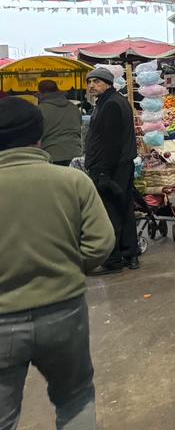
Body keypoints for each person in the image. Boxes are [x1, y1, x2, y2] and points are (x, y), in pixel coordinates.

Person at [0, 98, 114, 430]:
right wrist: (68, 266)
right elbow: (101, 243)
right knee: (75, 398)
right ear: (40, 136)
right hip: (64, 312)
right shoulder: (73, 182)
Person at [83, 67, 139, 274]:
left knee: (110, 212)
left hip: (112, 167)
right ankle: (129, 254)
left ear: (107, 83)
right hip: (119, 165)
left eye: (96, 82)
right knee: (123, 208)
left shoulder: (112, 104)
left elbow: (111, 142)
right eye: (90, 82)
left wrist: (104, 172)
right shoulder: (110, 101)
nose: (92, 86)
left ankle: (114, 259)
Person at [36, 79, 82, 167]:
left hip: (51, 155)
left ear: (40, 93)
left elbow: (36, 136)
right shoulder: (73, 107)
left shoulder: (39, 110)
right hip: (75, 154)